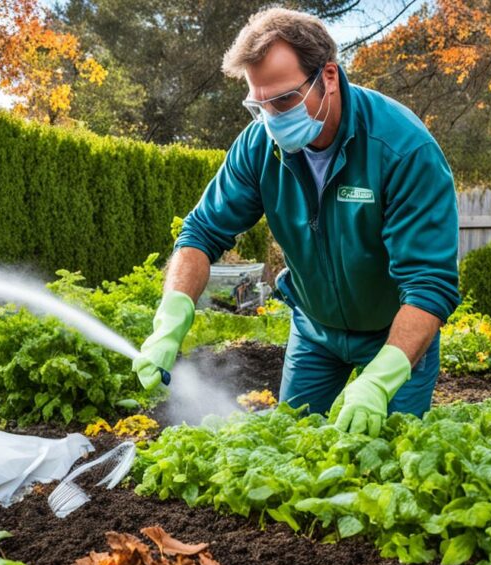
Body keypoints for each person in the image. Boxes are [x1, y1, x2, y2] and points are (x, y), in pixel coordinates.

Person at [132, 8, 460, 437]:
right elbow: (202, 232)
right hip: (315, 332)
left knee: (392, 461)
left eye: (284, 100)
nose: (272, 118)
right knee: (292, 448)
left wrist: (379, 382)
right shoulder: (257, 147)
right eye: (259, 105)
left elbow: (430, 284)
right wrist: (169, 320)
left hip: (395, 333)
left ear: (328, 75)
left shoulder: (402, 149)